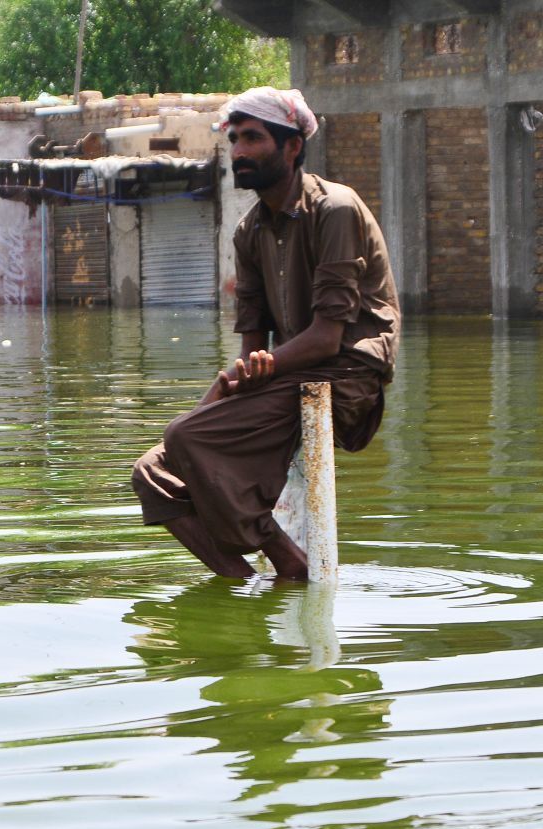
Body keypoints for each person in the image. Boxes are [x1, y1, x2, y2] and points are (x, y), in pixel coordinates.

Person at [132, 87, 400, 581]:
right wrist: (234, 379)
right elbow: (253, 346)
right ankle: (246, 583)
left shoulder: (335, 209)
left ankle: (286, 562)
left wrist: (259, 370)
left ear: (292, 146)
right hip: (288, 377)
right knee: (152, 473)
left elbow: (324, 339)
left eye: (252, 138)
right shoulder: (248, 230)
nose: (238, 151)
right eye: (234, 139)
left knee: (184, 435)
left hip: (346, 375)